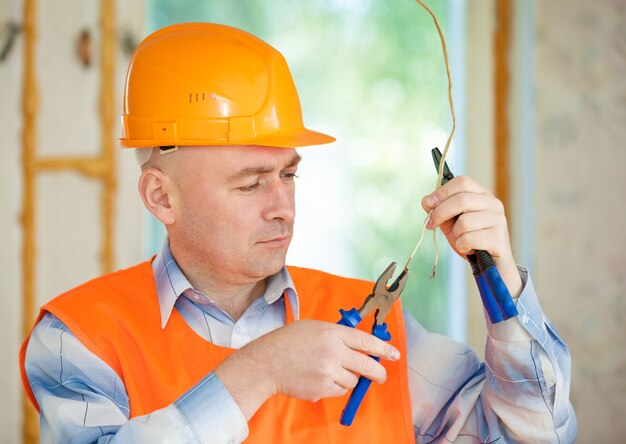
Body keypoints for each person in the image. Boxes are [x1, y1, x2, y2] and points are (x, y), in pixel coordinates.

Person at [20, 22, 576, 443]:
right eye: (250, 184)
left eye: (289, 174)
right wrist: (260, 370)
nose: (283, 206)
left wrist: (503, 287)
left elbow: (535, 435)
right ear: (161, 197)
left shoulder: (373, 324)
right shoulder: (78, 339)